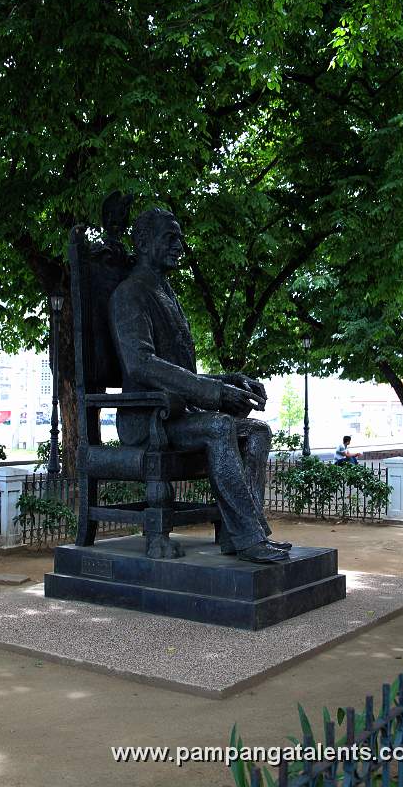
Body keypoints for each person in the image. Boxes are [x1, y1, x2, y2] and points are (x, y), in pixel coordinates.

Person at [109, 208, 292, 564]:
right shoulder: (130, 294)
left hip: (177, 414)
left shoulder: (166, 293)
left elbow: (181, 372)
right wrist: (215, 395)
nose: (179, 245)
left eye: (180, 238)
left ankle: (239, 533)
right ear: (143, 243)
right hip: (147, 419)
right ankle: (250, 538)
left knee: (257, 431)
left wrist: (229, 380)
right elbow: (141, 363)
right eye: (170, 238)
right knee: (220, 426)